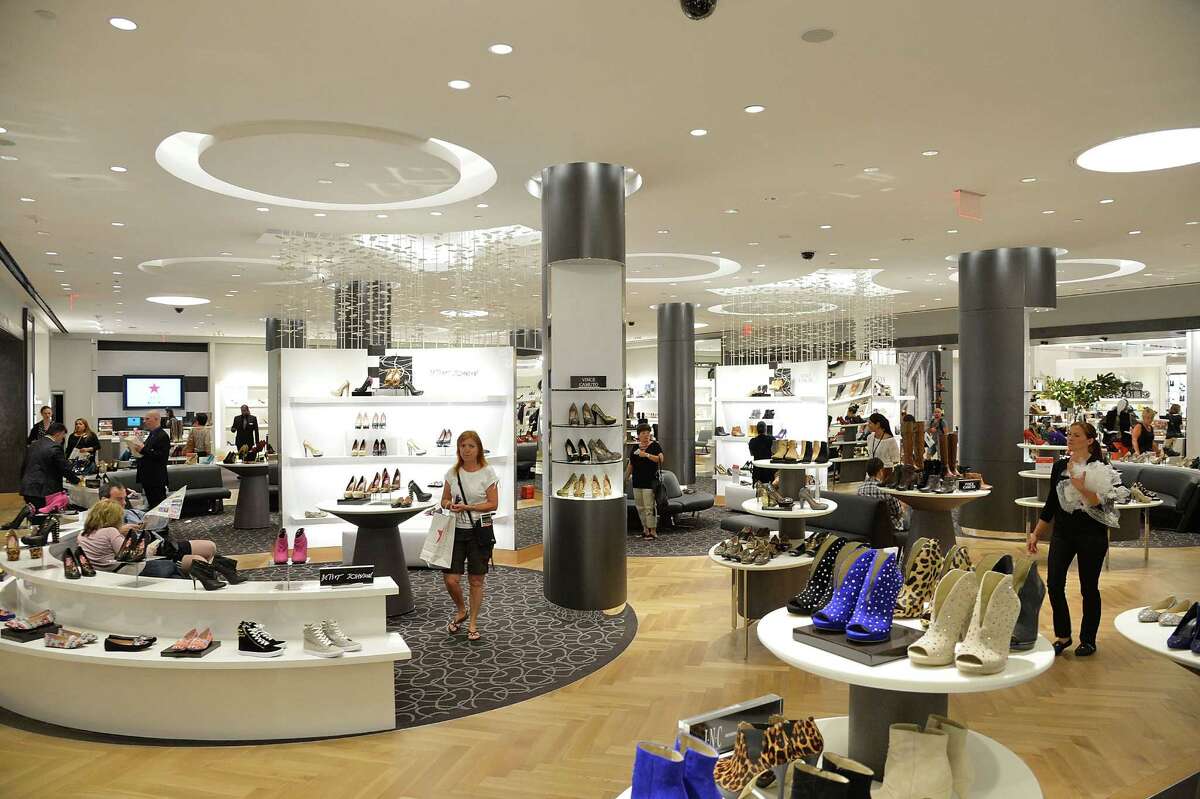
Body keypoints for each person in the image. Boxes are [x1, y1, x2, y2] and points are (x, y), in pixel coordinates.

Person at [1028, 421, 1120, 658]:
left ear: (1089, 440)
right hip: (1063, 533)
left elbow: (1107, 504)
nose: (1070, 438)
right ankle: (1063, 636)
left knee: (1089, 588)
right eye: (1069, 434)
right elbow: (1051, 504)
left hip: (1092, 535)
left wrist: (1082, 488)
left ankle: (1088, 640)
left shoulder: (1101, 466)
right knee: (1054, 584)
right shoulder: (1059, 466)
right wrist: (1036, 533)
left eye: (1076, 435)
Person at [440, 431, 499, 642]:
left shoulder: (487, 472)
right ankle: (461, 609)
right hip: (456, 531)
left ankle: (472, 622)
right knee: (451, 579)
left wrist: (469, 507)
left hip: (479, 531)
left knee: (476, 580)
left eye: (471, 446)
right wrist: (450, 505)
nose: (466, 449)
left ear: (478, 449)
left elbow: (493, 504)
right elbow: (443, 500)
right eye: (463, 445)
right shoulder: (452, 473)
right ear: (458, 449)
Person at [76, 499, 219, 579]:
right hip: (125, 572)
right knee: (174, 567)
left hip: (108, 573)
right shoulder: (110, 532)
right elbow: (131, 555)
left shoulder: (82, 535)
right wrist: (149, 548)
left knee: (176, 571)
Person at [20, 422, 83, 509]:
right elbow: (64, 468)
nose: (62, 439)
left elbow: (24, 466)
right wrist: (77, 481)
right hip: (42, 490)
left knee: (34, 517)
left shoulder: (34, 444)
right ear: (58, 434)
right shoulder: (55, 447)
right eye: (63, 436)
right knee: (43, 518)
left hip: (27, 487)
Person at [626, 423, 665, 540]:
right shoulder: (635, 448)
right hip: (637, 481)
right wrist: (626, 478)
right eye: (643, 433)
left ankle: (653, 530)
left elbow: (661, 459)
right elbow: (631, 464)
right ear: (638, 435)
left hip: (650, 481)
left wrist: (647, 455)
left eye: (648, 433)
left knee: (649, 506)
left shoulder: (655, 446)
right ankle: (645, 529)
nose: (646, 435)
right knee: (640, 507)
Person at [127, 410, 171, 511]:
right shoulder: (152, 434)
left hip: (156, 477)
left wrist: (142, 450)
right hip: (148, 476)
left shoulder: (162, 436)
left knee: (158, 504)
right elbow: (148, 452)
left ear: (156, 419)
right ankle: (154, 525)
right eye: (144, 419)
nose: (144, 421)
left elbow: (161, 456)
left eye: (147, 419)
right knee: (152, 504)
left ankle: (161, 525)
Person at [858, 457, 906, 530]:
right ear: (880, 471)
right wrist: (903, 506)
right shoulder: (885, 490)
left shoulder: (860, 489)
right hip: (889, 526)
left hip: (868, 525)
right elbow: (898, 512)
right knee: (908, 509)